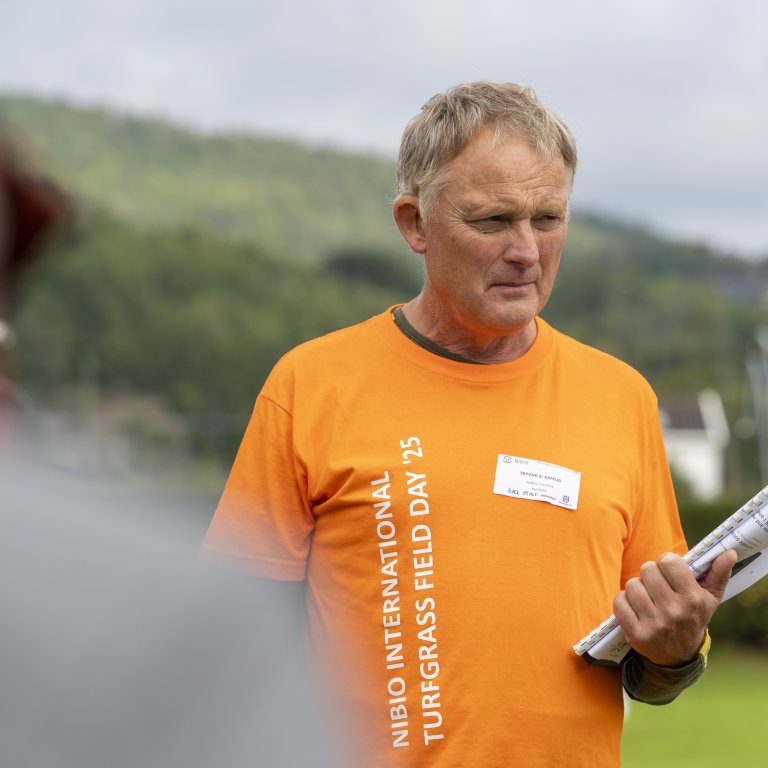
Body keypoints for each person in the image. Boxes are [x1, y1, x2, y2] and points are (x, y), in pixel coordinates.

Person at [203, 82, 736, 767]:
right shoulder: (311, 386)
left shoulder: (621, 396)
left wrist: (677, 652)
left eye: (549, 218)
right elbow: (233, 643)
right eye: (492, 221)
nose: (527, 251)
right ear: (414, 224)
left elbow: (653, 660)